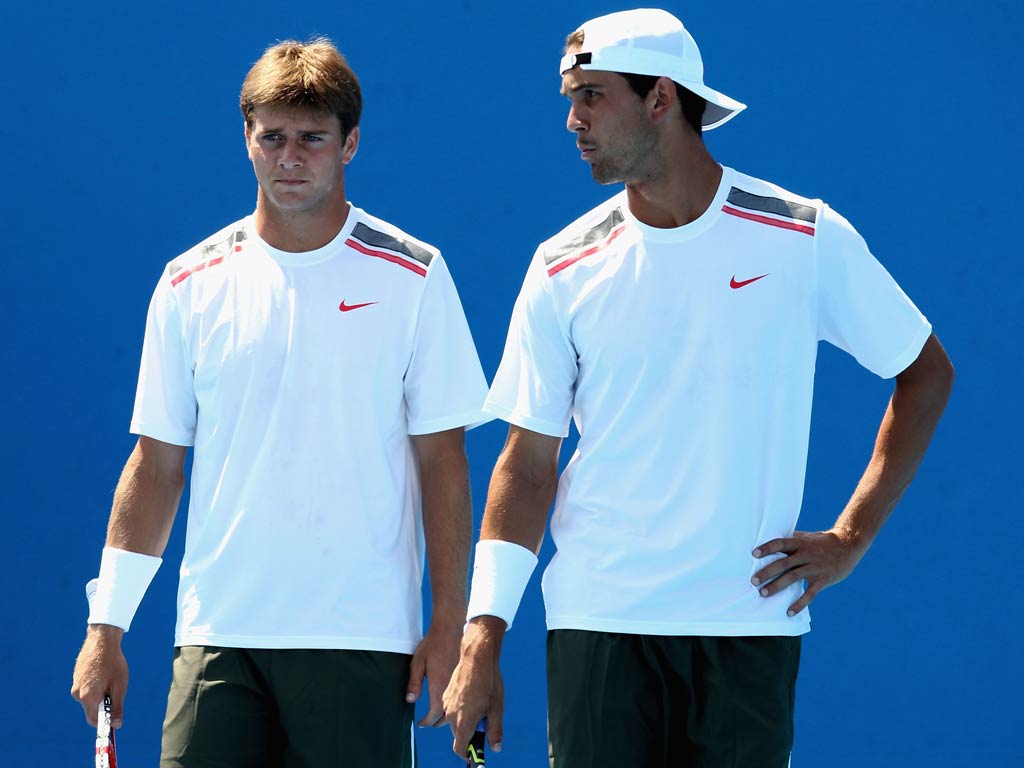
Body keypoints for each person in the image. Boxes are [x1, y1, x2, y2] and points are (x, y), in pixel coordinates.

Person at [442, 9, 954, 767]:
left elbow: (925, 371)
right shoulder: (561, 265)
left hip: (748, 632)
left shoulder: (803, 235)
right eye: (570, 100)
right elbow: (526, 464)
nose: (574, 120)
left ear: (662, 99)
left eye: (593, 96)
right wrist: (483, 635)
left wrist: (851, 537)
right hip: (599, 626)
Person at [70, 38, 490, 768]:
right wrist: (105, 625)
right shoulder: (187, 283)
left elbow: (443, 466)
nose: (289, 158)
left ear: (349, 144)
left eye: (311, 140)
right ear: (247, 139)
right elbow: (157, 466)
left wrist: (448, 622)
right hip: (218, 638)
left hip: (362, 642)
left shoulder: (415, 275)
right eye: (272, 138)